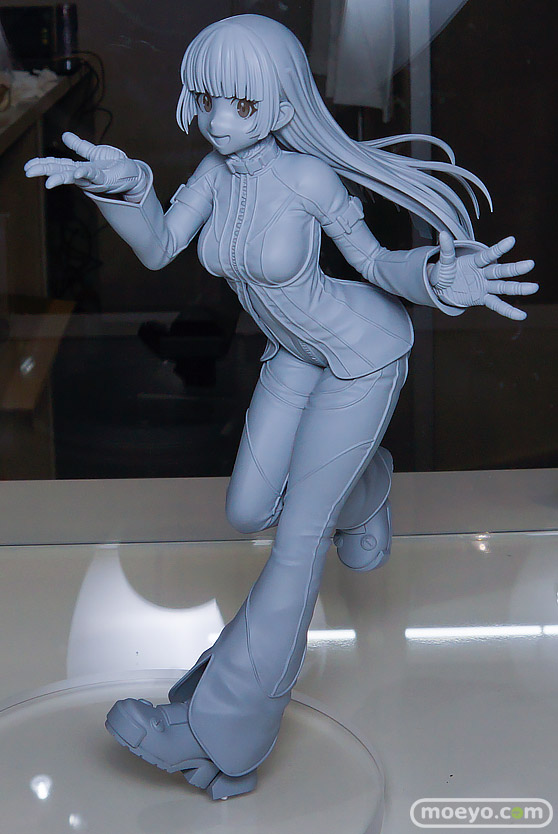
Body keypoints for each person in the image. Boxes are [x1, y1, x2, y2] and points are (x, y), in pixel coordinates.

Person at [25, 14, 536, 800]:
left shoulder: (309, 180)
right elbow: (159, 246)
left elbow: (374, 264)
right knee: (248, 509)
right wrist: (124, 187)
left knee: (298, 543)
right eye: (207, 100)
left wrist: (437, 278)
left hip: (361, 354)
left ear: (283, 107)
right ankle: (366, 481)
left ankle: (221, 733)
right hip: (293, 357)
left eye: (242, 104)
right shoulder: (212, 174)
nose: (219, 120)